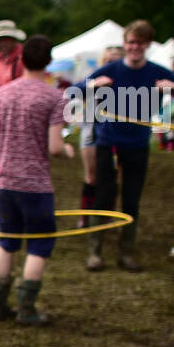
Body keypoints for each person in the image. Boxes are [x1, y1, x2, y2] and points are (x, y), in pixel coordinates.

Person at [76, 19, 174, 271]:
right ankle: (94, 252)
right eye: (131, 42)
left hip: (138, 144)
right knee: (103, 196)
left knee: (131, 199)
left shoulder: (156, 71)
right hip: (108, 144)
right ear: (125, 43)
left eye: (140, 43)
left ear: (148, 45)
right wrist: (91, 85)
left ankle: (126, 253)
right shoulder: (111, 70)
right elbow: (73, 92)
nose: (134, 47)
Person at [0, 36, 75, 325]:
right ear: (48, 62)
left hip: (4, 182)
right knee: (39, 244)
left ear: (21, 60)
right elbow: (55, 148)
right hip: (35, 185)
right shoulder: (55, 97)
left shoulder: (1, 94)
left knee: (7, 240)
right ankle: (26, 309)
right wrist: (69, 151)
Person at [76, 45, 123, 227]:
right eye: (108, 61)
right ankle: (86, 216)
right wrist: (94, 85)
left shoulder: (125, 84)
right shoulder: (96, 78)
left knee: (114, 178)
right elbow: (75, 90)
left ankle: (107, 215)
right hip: (91, 134)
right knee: (92, 176)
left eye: (116, 61)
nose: (111, 65)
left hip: (117, 137)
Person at [0, 20, 26, 89]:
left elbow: (27, 86)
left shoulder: (24, 57)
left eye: (5, 39)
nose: (2, 43)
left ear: (14, 39)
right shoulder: (1, 57)